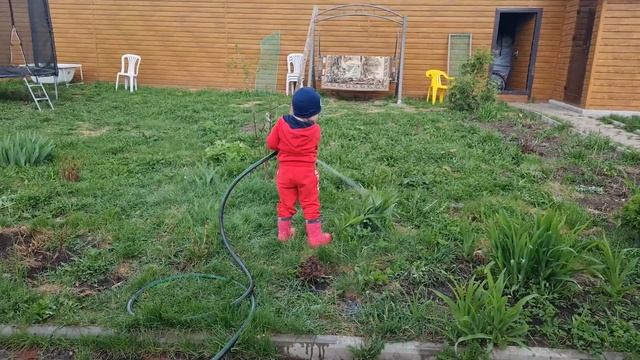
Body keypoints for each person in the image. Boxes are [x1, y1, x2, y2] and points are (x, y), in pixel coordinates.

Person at [266, 87, 331, 248]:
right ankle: (315, 238)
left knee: (285, 202)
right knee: (310, 203)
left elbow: (271, 144)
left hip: (285, 173)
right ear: (314, 114)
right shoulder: (315, 130)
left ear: (293, 108)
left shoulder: (281, 123)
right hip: (307, 174)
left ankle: (284, 234)